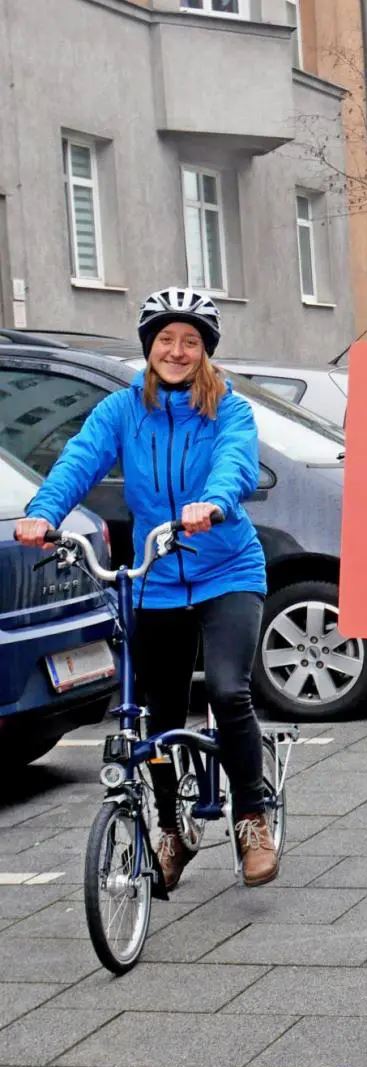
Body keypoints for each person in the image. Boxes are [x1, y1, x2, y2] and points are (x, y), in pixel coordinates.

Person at [15, 287, 278, 890]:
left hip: (227, 570)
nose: (177, 351)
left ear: (205, 351)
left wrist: (212, 502)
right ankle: (172, 828)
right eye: (166, 340)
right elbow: (78, 460)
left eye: (190, 341)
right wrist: (43, 512)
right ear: (149, 347)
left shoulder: (228, 410)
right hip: (156, 577)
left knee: (228, 691)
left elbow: (235, 462)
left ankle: (251, 818)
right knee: (154, 713)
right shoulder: (121, 411)